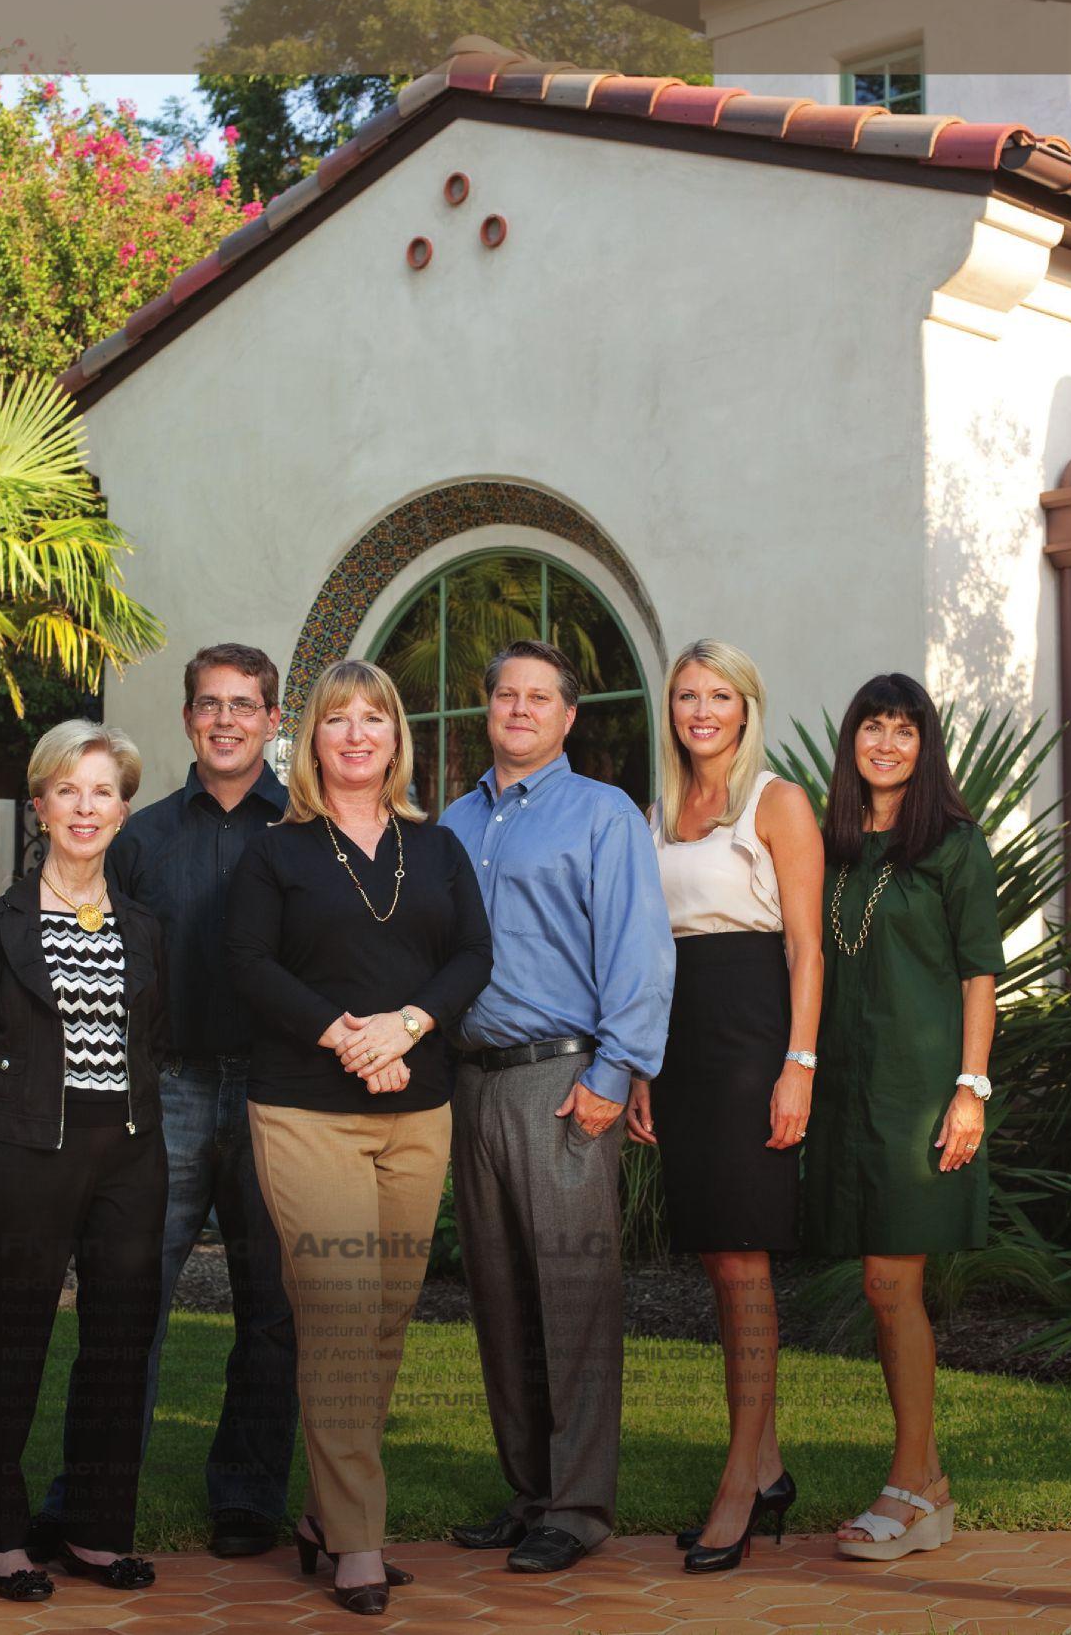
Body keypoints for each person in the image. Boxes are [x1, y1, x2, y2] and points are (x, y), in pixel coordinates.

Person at [224, 659, 492, 1617]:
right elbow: (246, 962)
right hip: (307, 1109)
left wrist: (407, 1027)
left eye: (373, 717)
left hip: (417, 1109)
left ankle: (322, 1515)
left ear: (395, 738)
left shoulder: (439, 847)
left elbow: (473, 954)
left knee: (385, 1317)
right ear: (313, 740)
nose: (356, 734)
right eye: (338, 719)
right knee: (340, 1311)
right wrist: (348, 1037)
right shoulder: (277, 854)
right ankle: (358, 1541)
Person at [35, 644, 299, 1560]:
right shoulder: (140, 838)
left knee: (272, 1310)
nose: (225, 720)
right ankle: (87, 1499)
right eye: (208, 704)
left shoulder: (303, 831)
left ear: (273, 720)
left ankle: (249, 1497)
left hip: (275, 1094)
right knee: (127, 1302)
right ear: (188, 719)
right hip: (169, 1091)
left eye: (243, 705)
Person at [441, 639, 675, 1574]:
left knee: (573, 1294)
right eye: (507, 694)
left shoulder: (603, 814)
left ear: (568, 717)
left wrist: (615, 1074)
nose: (521, 709)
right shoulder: (453, 823)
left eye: (540, 697)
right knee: (498, 1295)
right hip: (472, 1080)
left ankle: (577, 1507)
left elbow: (641, 948)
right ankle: (529, 1490)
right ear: (488, 706)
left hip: (562, 1079)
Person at [0, 720, 167, 1601]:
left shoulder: (144, 929)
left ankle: (95, 1534)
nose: (85, 807)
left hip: (130, 1157)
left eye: (103, 791)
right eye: (68, 789)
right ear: (39, 805)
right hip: (26, 1153)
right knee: (10, 1340)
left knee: (119, 1345)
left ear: (123, 811)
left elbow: (154, 1038)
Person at [625, 640, 824, 1574]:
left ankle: (740, 1481)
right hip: (680, 1038)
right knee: (716, 1254)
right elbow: (645, 949)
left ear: (746, 707)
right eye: (686, 696)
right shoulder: (657, 812)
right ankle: (769, 1465)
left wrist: (799, 1065)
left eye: (718, 695)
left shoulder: (777, 801)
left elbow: (807, 948)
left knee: (745, 1259)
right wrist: (640, 1066)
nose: (701, 711)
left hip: (752, 1037)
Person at [804, 673, 1003, 1561]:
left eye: (904, 730)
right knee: (880, 1288)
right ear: (852, 740)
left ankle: (912, 1485)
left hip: (921, 1093)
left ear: (925, 748)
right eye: (872, 727)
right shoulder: (832, 846)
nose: (886, 744)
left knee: (893, 1284)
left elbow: (978, 975)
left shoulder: (954, 846)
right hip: (844, 1089)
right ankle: (927, 1488)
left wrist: (971, 1089)